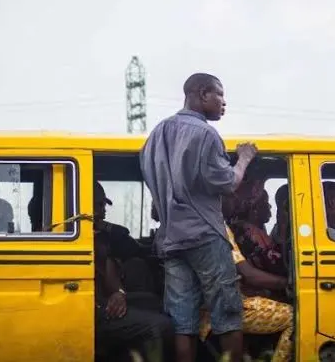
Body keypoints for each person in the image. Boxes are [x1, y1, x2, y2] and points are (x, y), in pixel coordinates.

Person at [140, 73, 258, 362]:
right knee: (228, 314)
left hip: (171, 241)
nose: (223, 102)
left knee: (183, 321)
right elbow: (228, 182)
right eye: (219, 94)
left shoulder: (155, 135)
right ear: (203, 93)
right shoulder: (205, 134)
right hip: (205, 236)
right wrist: (244, 158)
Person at [93, 183, 174, 361]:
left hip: (105, 299)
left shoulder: (102, 235)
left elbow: (112, 261)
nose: (104, 210)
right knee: (163, 326)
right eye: (99, 205)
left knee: (156, 304)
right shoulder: (83, 238)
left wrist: (119, 293)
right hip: (92, 308)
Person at [199, 224, 294, 362]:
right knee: (294, 316)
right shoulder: (218, 226)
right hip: (222, 309)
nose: (237, 202)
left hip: (205, 305)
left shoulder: (196, 223)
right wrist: (288, 282)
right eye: (232, 200)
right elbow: (247, 273)